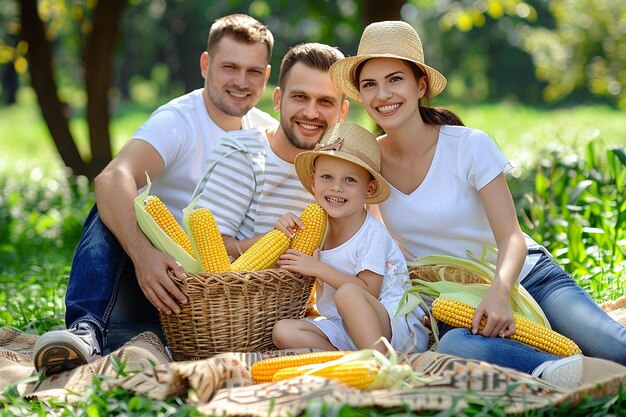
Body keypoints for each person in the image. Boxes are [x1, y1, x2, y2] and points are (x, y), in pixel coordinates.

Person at [327, 20, 626, 388]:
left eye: (395, 79)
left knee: (616, 346)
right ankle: (565, 369)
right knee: (455, 346)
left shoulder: (469, 145)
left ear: (420, 85)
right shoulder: (369, 162)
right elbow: (384, 246)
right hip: (453, 296)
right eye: (369, 85)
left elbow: (512, 237)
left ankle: (596, 363)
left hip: (524, 277)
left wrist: (499, 295)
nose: (382, 94)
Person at [33, 14, 277, 376]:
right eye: (230, 67)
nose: (241, 82)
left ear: (267, 76)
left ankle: (136, 337)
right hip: (157, 281)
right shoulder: (179, 120)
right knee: (110, 205)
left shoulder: (268, 133)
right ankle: (87, 328)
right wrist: (145, 256)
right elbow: (111, 177)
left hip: (223, 299)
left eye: (254, 71)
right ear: (205, 65)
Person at [272, 122, 428, 354]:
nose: (336, 188)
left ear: (369, 189)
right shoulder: (317, 227)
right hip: (344, 326)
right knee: (282, 331)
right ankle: (346, 360)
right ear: (313, 181)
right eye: (327, 177)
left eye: (350, 180)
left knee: (347, 293)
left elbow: (368, 291)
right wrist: (283, 234)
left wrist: (316, 268)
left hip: (390, 327)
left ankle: (379, 362)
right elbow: (290, 266)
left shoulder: (371, 234)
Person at [194, 42, 349, 257]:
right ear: (278, 100)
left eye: (325, 101)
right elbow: (205, 249)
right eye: (300, 97)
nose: (311, 113)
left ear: (342, 112)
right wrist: (280, 239)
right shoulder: (241, 156)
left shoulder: (348, 168)